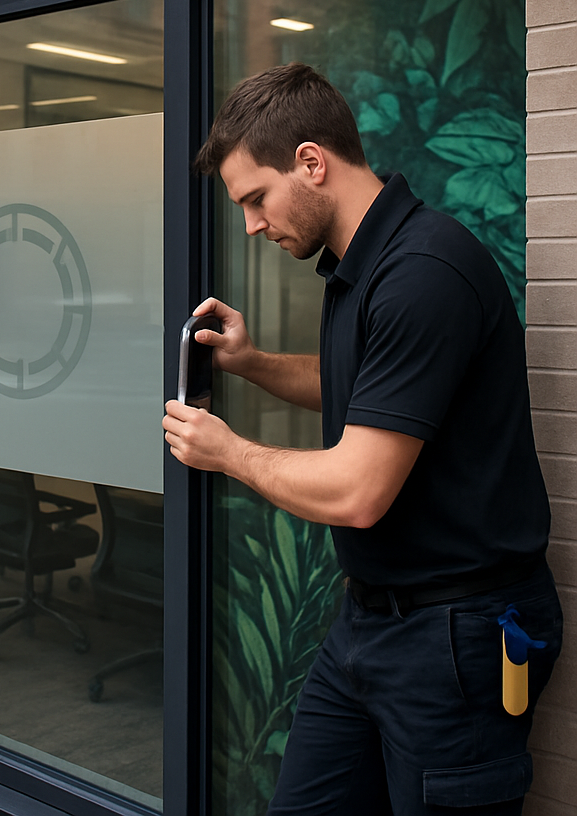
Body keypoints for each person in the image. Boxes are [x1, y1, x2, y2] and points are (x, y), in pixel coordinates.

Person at [162, 62, 562, 815]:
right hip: (370, 624)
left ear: (312, 163)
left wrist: (228, 452)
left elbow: (358, 489)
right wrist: (250, 365)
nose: (251, 225)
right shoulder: (359, 264)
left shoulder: (423, 272)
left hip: (456, 637)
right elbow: (371, 390)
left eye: (256, 199)